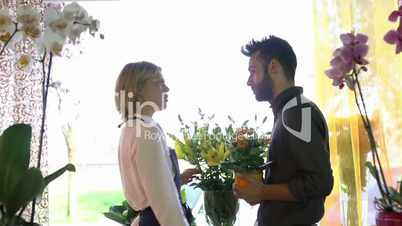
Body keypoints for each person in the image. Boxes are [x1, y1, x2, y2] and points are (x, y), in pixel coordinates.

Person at [233, 36, 334, 226]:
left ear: (273, 67)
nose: (249, 81)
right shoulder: (289, 110)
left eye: (253, 71)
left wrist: (262, 191)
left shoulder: (297, 112)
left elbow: (320, 181)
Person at [115, 61, 199, 226]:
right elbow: (164, 202)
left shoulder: (130, 128)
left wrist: (177, 179)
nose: (166, 89)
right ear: (138, 89)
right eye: (159, 83)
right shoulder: (146, 131)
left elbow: (147, 187)